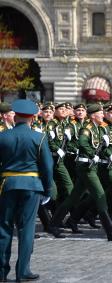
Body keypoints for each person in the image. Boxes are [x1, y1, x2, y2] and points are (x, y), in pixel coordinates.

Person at [0, 99, 53, 282]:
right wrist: (48, 189)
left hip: (7, 184)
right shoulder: (39, 137)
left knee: (4, 228)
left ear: (15, 116)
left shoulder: (3, 136)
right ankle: (22, 271)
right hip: (31, 186)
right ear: (32, 117)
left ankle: (1, 272)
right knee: (26, 229)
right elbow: (47, 167)